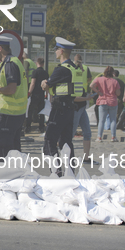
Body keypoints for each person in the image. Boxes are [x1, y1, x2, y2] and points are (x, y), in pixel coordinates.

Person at [41, 37, 84, 173]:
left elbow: (46, 85)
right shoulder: (74, 68)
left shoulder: (61, 69)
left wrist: (44, 83)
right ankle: (70, 171)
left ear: (62, 51)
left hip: (59, 108)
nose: (55, 52)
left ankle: (56, 172)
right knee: (66, 141)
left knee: (49, 140)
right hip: (70, 107)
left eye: (56, 50)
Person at [71, 54, 94, 161]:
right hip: (76, 107)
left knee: (87, 132)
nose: (82, 68)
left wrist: (86, 98)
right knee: (71, 132)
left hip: (82, 107)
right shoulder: (73, 77)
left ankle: (86, 156)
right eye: (79, 65)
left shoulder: (80, 77)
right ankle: (66, 154)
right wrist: (86, 99)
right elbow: (73, 97)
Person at [90, 66, 121, 142]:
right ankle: (113, 137)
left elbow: (91, 85)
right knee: (113, 120)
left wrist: (98, 92)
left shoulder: (99, 79)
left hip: (102, 101)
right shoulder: (115, 81)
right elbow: (118, 93)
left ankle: (99, 137)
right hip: (112, 101)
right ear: (112, 73)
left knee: (101, 120)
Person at [26, 57, 49, 133]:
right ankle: (41, 127)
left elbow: (32, 83)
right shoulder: (46, 73)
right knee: (41, 112)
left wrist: (29, 92)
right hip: (42, 94)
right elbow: (47, 85)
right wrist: (46, 94)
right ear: (43, 64)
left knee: (30, 110)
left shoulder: (35, 72)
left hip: (35, 94)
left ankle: (28, 127)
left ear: (37, 63)